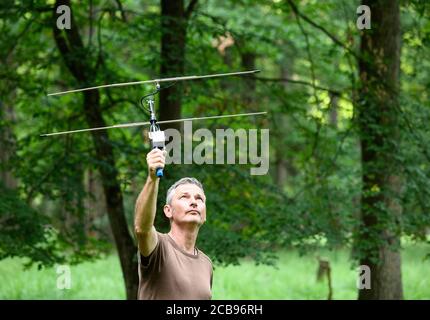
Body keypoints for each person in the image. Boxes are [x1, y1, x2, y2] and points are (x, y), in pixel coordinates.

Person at [134, 148, 213, 300]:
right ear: (168, 211)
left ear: (204, 214)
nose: (193, 202)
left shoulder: (206, 264)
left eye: (199, 199)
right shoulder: (159, 248)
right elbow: (142, 229)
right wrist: (152, 178)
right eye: (184, 197)